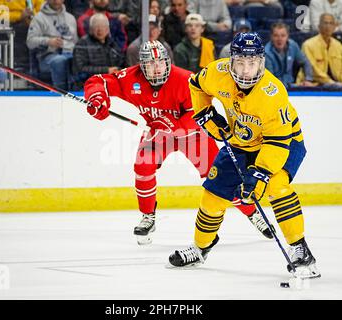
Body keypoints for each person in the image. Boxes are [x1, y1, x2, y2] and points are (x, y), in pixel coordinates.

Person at [83, 40, 272, 245]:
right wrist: (97, 99)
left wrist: (170, 124)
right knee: (143, 166)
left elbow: (196, 115)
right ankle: (148, 217)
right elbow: (98, 81)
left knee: (220, 179)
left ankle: (253, 214)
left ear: (168, 62)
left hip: (193, 136)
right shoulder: (131, 78)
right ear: (141, 66)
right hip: (158, 134)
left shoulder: (185, 80)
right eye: (150, 65)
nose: (156, 69)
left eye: (161, 63)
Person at [168, 32, 321, 280]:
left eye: (252, 63)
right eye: (240, 62)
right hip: (242, 140)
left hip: (285, 142)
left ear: (261, 62)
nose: (246, 69)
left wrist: (259, 173)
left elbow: (277, 142)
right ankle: (200, 248)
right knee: (212, 196)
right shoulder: (217, 73)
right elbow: (196, 85)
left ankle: (300, 250)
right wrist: (205, 113)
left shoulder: (272, 93)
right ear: (231, 62)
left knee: (275, 185)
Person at [26, 0, 78, 90]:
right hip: (47, 57)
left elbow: (76, 42)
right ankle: (61, 94)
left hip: (70, 54)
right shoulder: (39, 18)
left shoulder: (71, 18)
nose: (55, 0)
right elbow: (30, 41)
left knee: (82, 61)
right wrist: (48, 41)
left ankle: (80, 92)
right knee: (60, 61)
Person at [73, 13, 125, 86]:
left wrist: (117, 70)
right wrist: (106, 70)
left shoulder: (112, 43)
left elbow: (121, 61)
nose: (100, 30)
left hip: (110, 81)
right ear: (90, 28)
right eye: (96, 27)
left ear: (108, 29)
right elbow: (80, 69)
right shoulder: (82, 44)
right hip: (89, 83)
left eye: (103, 26)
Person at [0, 0, 44, 68]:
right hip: (9, 26)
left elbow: (42, 9)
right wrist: (20, 16)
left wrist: (31, 16)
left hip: (32, 23)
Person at [300, 13, 342, 88]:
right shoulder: (308, 45)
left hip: (336, 84)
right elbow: (313, 70)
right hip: (314, 84)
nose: (328, 26)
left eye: (331, 23)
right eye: (325, 23)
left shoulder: (338, 45)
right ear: (319, 26)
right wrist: (331, 82)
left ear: (335, 27)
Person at [265, 22, 314, 88]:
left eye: (283, 35)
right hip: (274, 88)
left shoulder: (293, 45)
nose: (280, 39)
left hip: (292, 86)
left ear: (287, 36)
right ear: (271, 37)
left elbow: (305, 62)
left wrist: (308, 79)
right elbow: (270, 80)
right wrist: (293, 85)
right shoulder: (266, 52)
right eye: (276, 35)